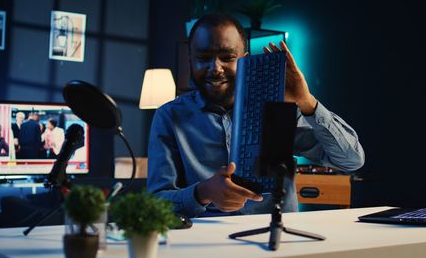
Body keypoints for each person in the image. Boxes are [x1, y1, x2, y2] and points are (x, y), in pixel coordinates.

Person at [147, 14, 365, 218]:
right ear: (190, 59)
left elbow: (351, 160)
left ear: (245, 59)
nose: (215, 68)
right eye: (203, 58)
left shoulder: (277, 108)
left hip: (276, 240)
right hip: (206, 245)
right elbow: (155, 203)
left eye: (227, 57)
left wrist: (307, 102)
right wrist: (202, 192)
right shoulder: (169, 117)